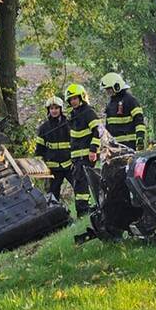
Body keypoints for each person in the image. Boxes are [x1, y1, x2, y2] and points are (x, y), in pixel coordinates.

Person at [64, 83, 100, 216]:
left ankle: (84, 211)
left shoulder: (88, 112)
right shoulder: (73, 115)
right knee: (79, 183)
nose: (73, 101)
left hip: (87, 155)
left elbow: (97, 132)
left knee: (83, 182)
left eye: (75, 98)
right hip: (77, 157)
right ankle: (84, 210)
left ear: (81, 97)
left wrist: (93, 150)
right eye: (71, 99)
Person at [33, 96, 72, 200]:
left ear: (61, 109)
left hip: (69, 165)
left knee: (80, 188)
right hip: (53, 168)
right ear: (48, 110)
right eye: (51, 108)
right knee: (53, 193)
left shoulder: (69, 125)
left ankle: (83, 211)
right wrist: (40, 166)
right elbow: (39, 149)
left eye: (56, 108)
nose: (54, 111)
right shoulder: (44, 128)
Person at [99, 72, 147, 150]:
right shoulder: (110, 104)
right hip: (115, 147)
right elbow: (109, 127)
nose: (107, 91)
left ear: (117, 86)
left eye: (109, 89)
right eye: (106, 89)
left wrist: (140, 138)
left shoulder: (130, 100)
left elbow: (139, 121)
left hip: (130, 144)